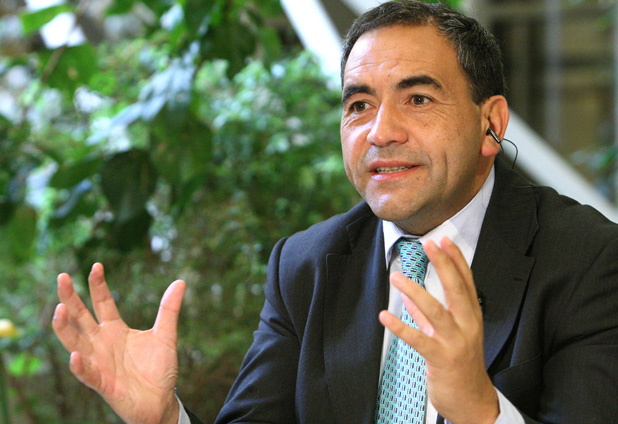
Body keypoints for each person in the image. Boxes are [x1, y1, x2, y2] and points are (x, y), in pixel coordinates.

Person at [52, 1, 618, 424]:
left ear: (490, 122)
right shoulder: (306, 265)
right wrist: (165, 418)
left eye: (418, 99)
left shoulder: (587, 259)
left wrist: (479, 411)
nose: (381, 132)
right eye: (359, 104)